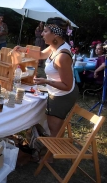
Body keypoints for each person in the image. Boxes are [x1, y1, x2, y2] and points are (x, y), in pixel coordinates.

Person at [14, 17, 79, 147]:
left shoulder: (62, 56)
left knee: (54, 129)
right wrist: (23, 49)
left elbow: (67, 86)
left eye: (45, 31)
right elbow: (40, 55)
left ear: (55, 34)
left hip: (62, 96)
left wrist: (46, 81)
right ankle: (49, 149)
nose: (42, 34)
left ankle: (50, 157)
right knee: (52, 126)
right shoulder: (55, 46)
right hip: (55, 91)